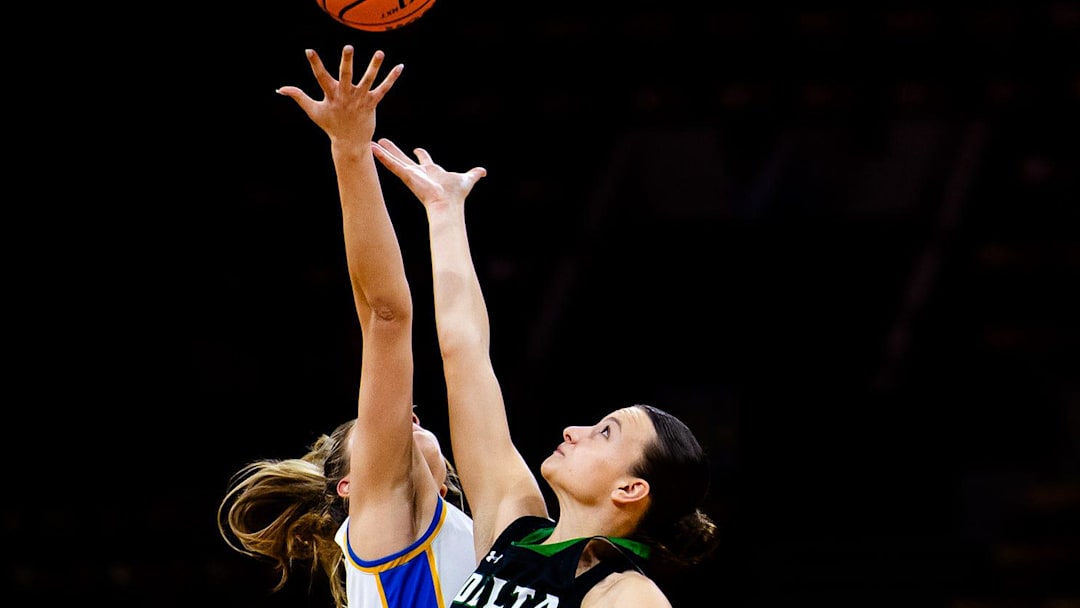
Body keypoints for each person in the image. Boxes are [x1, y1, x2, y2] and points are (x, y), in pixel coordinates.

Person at [371, 138, 721, 607]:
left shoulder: (627, 595)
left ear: (631, 488)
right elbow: (465, 352)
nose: (574, 430)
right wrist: (444, 210)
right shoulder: (513, 523)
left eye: (604, 433)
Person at [217, 46, 475, 608]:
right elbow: (386, 314)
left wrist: (442, 217)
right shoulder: (386, 522)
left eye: (376, 423)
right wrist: (350, 150)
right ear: (352, 490)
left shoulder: (483, 541)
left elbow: (431, 333)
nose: (401, 411)